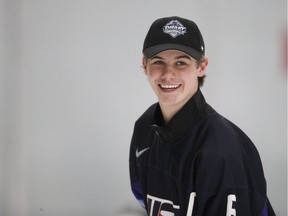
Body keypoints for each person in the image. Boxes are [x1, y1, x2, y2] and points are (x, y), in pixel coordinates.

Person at [129, 16, 275, 216]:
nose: (168, 74)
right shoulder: (145, 129)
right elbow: (144, 200)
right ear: (144, 65)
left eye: (181, 63)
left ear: (202, 67)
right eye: (158, 61)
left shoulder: (219, 146)